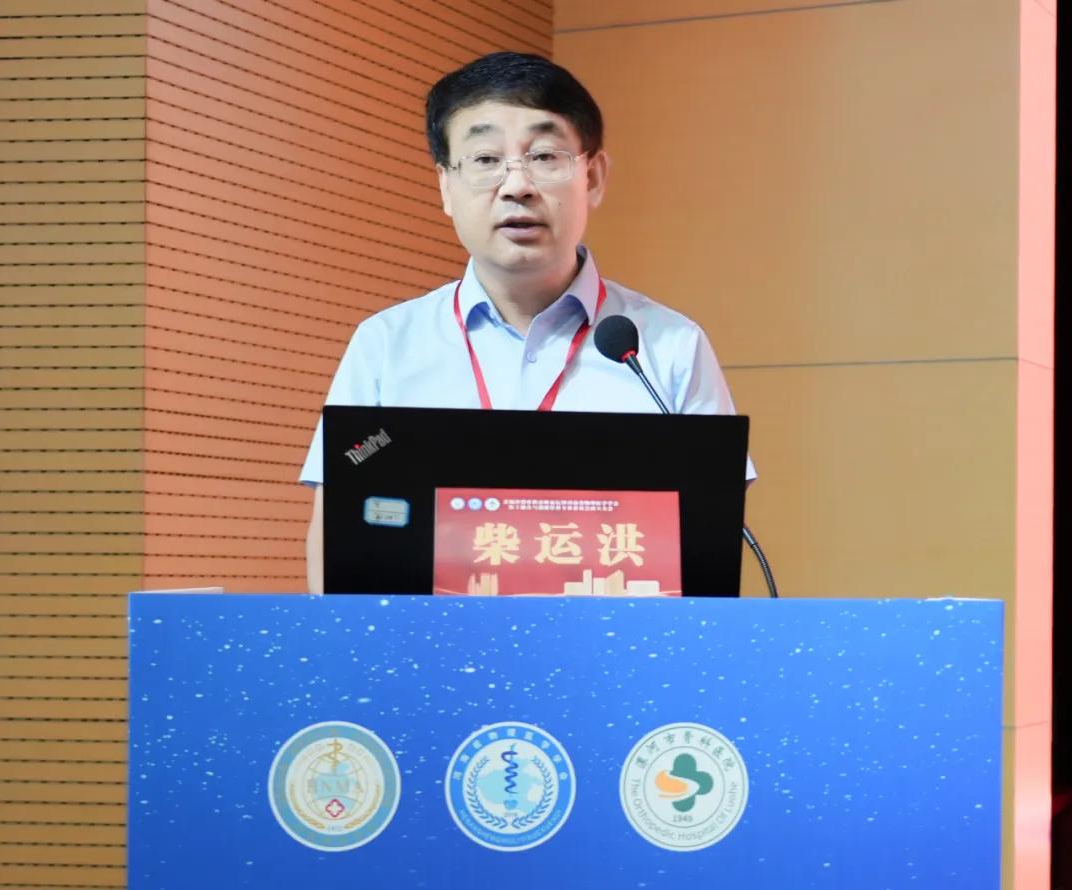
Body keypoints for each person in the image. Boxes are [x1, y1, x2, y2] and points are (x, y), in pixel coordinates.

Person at [301, 52, 753, 593]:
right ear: (445, 186)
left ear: (593, 177)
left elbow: (707, 549)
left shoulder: (669, 347)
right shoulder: (385, 345)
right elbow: (336, 542)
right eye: (485, 158)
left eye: (544, 156)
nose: (517, 186)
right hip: (425, 646)